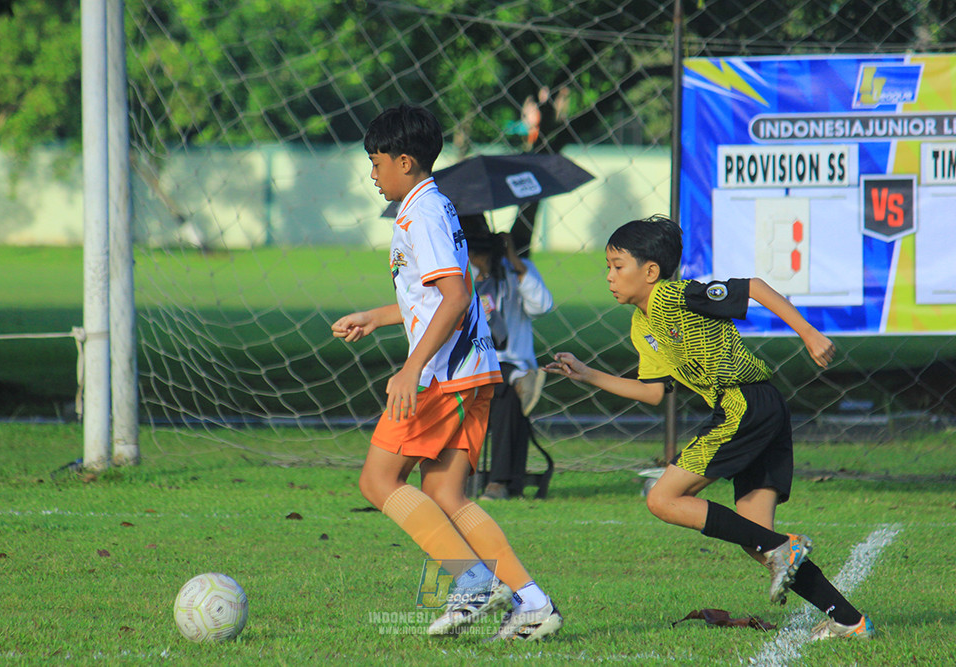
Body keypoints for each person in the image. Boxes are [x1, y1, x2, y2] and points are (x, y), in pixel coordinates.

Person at [544, 215, 874, 641]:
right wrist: (588, 374)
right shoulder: (643, 323)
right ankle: (849, 620)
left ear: (649, 271)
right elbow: (653, 392)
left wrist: (809, 334)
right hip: (760, 406)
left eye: (617, 265)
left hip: (743, 404)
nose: (609, 276)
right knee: (758, 538)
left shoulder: (672, 295)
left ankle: (786, 551)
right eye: (607, 266)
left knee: (663, 499)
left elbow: (753, 287)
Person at [331, 103, 562, 642]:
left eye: (376, 161)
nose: (372, 173)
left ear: (405, 161)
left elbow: (456, 297)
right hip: (471, 370)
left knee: (378, 479)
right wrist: (379, 315)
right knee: (447, 493)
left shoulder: (421, 214)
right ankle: (533, 602)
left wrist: (410, 369)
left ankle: (474, 582)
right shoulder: (434, 205)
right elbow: (441, 295)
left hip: (443, 375)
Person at [461, 214, 554, 500]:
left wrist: (514, 261)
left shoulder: (518, 271)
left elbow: (542, 306)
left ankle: (499, 482)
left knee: (502, 389)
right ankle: (500, 480)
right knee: (503, 387)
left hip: (511, 359)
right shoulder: (460, 278)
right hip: (473, 364)